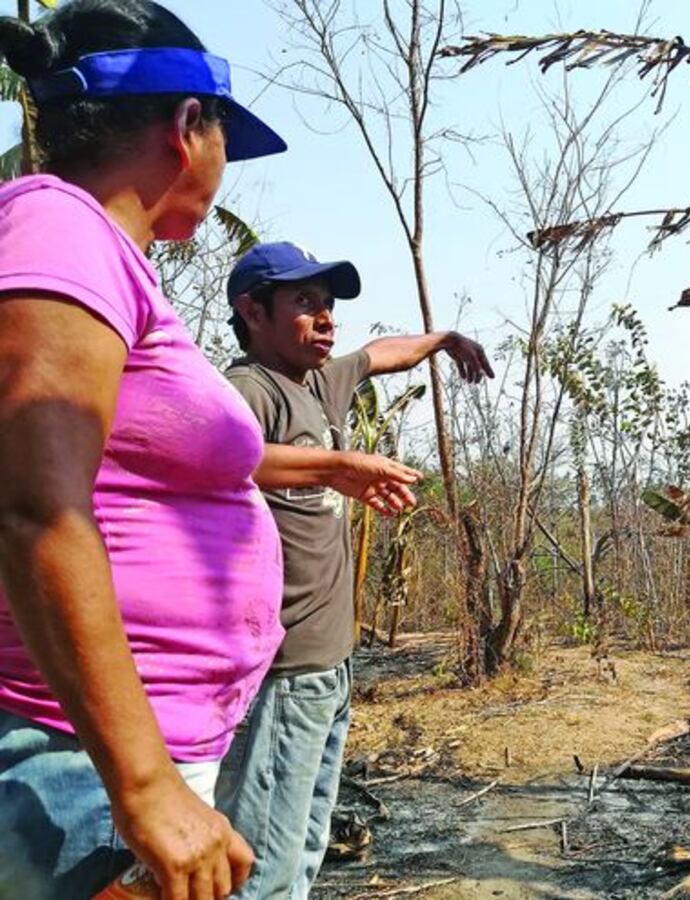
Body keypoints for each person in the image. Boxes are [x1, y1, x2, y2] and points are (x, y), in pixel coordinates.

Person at [0, 3, 293, 898]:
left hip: (120, 751)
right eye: (225, 139)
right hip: (76, 762)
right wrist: (143, 785)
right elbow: (34, 506)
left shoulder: (102, 257)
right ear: (186, 126)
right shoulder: (58, 223)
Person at [218, 241, 494, 898]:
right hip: (282, 671)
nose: (326, 318)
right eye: (304, 302)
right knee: (263, 863)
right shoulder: (246, 389)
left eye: (329, 304)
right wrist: (338, 467)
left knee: (305, 846)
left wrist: (443, 340)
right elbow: (225, 453)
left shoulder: (320, 382)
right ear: (252, 312)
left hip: (332, 666)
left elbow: (381, 353)